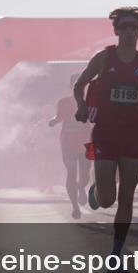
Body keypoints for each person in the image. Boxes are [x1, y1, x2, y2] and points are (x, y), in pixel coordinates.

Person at [78, 6, 138, 273]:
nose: (130, 31)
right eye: (124, 26)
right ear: (116, 30)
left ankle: (116, 253)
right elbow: (78, 84)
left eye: (134, 27)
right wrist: (82, 106)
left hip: (133, 135)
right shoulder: (103, 58)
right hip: (105, 133)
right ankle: (97, 189)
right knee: (107, 200)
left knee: (127, 195)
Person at [49, 74, 94, 218]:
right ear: (71, 87)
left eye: (83, 84)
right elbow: (58, 116)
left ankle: (81, 188)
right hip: (68, 144)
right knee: (71, 173)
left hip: (87, 143)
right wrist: (54, 121)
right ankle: (75, 207)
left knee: (85, 174)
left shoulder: (91, 102)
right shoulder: (64, 102)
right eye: (77, 85)